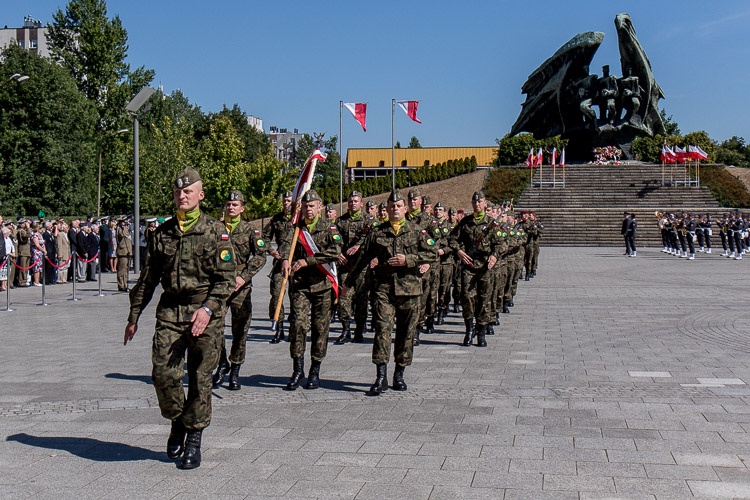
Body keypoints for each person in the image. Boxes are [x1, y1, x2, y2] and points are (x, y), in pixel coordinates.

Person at [124, 167, 235, 470]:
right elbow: (148, 279)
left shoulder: (216, 231)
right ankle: (178, 421)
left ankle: (194, 439)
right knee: (163, 374)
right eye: (177, 192)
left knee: (200, 378)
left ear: (201, 195)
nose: (182, 196)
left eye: (188, 191)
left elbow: (226, 280)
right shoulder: (162, 233)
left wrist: (208, 309)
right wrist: (134, 315)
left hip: (204, 314)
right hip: (171, 311)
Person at [343, 190, 436, 395]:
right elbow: (362, 258)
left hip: (409, 290)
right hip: (384, 290)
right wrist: (348, 283)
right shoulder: (377, 232)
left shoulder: (417, 231)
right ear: (387, 208)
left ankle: (399, 374)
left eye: (399, 206)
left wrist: (408, 260)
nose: (395, 209)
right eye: (391, 206)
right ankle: (381, 375)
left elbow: (432, 253)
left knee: (406, 333)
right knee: (382, 331)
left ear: (405, 208)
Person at [279, 190, 340, 391]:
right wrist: (285, 259)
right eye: (305, 206)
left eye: (312, 206)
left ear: (320, 207)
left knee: (320, 328)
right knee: (298, 325)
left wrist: (308, 261)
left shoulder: (329, 228)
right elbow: (285, 245)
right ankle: (297, 369)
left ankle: (315, 369)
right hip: (300, 286)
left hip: (322, 285)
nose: (308, 209)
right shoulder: (296, 227)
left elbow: (335, 252)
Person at [212, 190, 268, 391]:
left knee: (240, 330)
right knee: (214, 327)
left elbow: (261, 256)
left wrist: (244, 277)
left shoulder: (250, 230)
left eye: (235, 205)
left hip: (240, 286)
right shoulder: (215, 228)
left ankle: (235, 369)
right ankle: (221, 364)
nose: (231, 207)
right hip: (218, 284)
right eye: (228, 204)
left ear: (242, 208)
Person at [449, 191, 503, 347]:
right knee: (467, 297)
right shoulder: (465, 222)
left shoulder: (492, 224)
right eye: (474, 202)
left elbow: (501, 243)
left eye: (480, 202)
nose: (477, 204)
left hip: (485, 266)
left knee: (484, 299)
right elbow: (452, 239)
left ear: (485, 203)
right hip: (469, 265)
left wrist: (494, 256)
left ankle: (481, 332)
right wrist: (459, 251)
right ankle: (469, 330)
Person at [333, 190, 371, 345]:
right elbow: (334, 240)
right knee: (344, 298)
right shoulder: (340, 221)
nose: (353, 203)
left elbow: (374, 240)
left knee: (362, 300)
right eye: (350, 201)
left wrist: (359, 245)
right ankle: (345, 329)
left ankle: (359, 329)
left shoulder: (369, 221)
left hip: (362, 268)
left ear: (361, 203)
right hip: (346, 267)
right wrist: (338, 254)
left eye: (356, 201)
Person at [262, 191, 294, 343]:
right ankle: (279, 327)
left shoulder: (300, 219)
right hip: (280, 261)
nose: (286, 203)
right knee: (276, 294)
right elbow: (263, 238)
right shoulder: (276, 219)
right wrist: (271, 250)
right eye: (285, 201)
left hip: (296, 261)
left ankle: (295, 328)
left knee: (296, 295)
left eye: (289, 201)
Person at [116, 217, 133, 292]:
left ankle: (125, 284)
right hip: (122, 251)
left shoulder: (126, 228)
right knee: (121, 270)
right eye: (123, 221)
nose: (124, 223)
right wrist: (124, 227)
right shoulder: (119, 229)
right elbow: (122, 235)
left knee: (126, 270)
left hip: (128, 251)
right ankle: (121, 285)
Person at [30, 223, 47, 287]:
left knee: (40, 267)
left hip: (41, 253)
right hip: (36, 252)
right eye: (39, 228)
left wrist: (45, 250)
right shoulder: (34, 235)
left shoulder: (40, 235)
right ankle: (36, 281)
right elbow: (37, 245)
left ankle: (38, 280)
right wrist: (43, 250)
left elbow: (43, 244)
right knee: (36, 267)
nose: (41, 229)